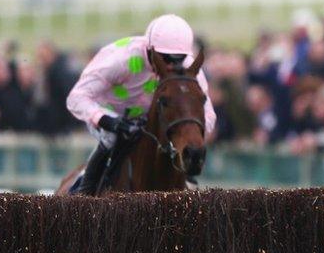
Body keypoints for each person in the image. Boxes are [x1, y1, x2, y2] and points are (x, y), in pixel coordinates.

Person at [66, 14, 217, 194]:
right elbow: (76, 98)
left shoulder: (188, 66)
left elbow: (208, 114)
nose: (170, 67)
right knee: (111, 138)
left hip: (151, 117)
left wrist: (190, 135)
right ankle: (84, 196)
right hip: (109, 113)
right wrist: (107, 121)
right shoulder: (120, 59)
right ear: (149, 49)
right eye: (165, 58)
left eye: (177, 59)